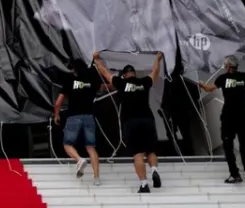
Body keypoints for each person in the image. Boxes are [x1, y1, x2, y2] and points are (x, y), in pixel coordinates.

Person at [94, 51, 163, 193]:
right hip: (147, 120)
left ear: (124, 75)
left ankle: (144, 185)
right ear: (134, 74)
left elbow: (105, 72)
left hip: (131, 122)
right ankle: (154, 170)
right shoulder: (144, 82)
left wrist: (96, 59)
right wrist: (158, 58)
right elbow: (155, 71)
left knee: (138, 153)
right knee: (150, 150)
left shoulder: (121, 83)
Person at [198, 55, 245, 184]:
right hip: (242, 118)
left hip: (228, 118)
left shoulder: (222, 78)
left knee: (228, 147)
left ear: (228, 66)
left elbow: (209, 89)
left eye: (225, 65)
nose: (224, 67)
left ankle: (235, 175)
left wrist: (202, 84)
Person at [53, 59, 103, 185]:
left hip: (73, 116)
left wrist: (57, 115)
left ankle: (79, 160)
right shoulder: (91, 81)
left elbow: (58, 102)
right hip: (89, 116)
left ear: (74, 69)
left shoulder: (69, 81)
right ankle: (97, 179)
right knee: (91, 148)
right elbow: (102, 87)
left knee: (68, 144)